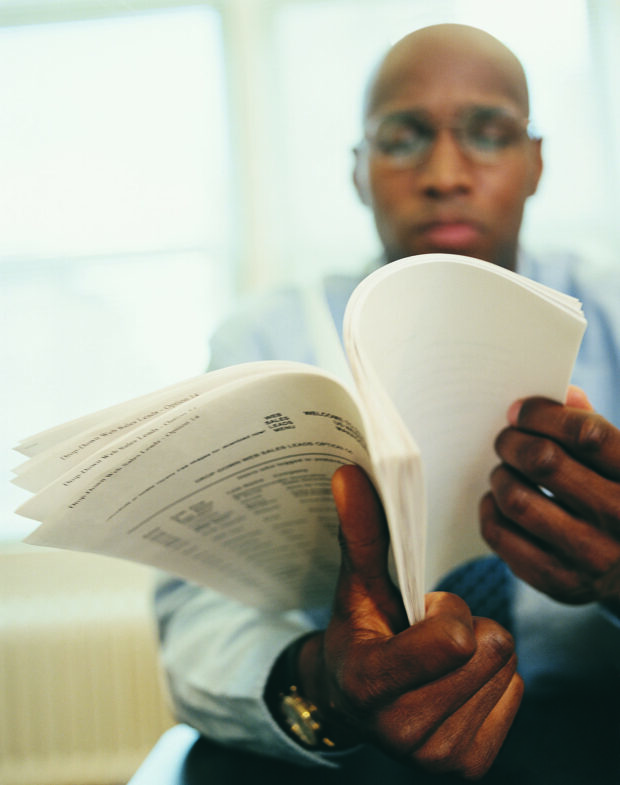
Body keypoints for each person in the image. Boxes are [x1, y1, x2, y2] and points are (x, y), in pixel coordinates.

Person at [154, 24, 620, 782]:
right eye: (403, 138)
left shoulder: (612, 308)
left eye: (488, 133)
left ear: (536, 162)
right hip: (346, 754)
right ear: (359, 171)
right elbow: (203, 610)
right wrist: (318, 683)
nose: (444, 173)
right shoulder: (264, 335)